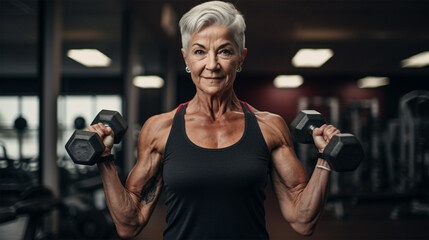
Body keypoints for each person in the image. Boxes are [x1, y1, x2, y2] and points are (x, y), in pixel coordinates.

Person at [88, 1, 340, 239]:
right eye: (199, 51)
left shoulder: (269, 127)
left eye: (224, 51)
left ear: (240, 58)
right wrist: (104, 158)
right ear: (186, 58)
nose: (212, 65)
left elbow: (302, 221)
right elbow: (128, 224)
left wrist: (325, 159)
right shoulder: (160, 129)